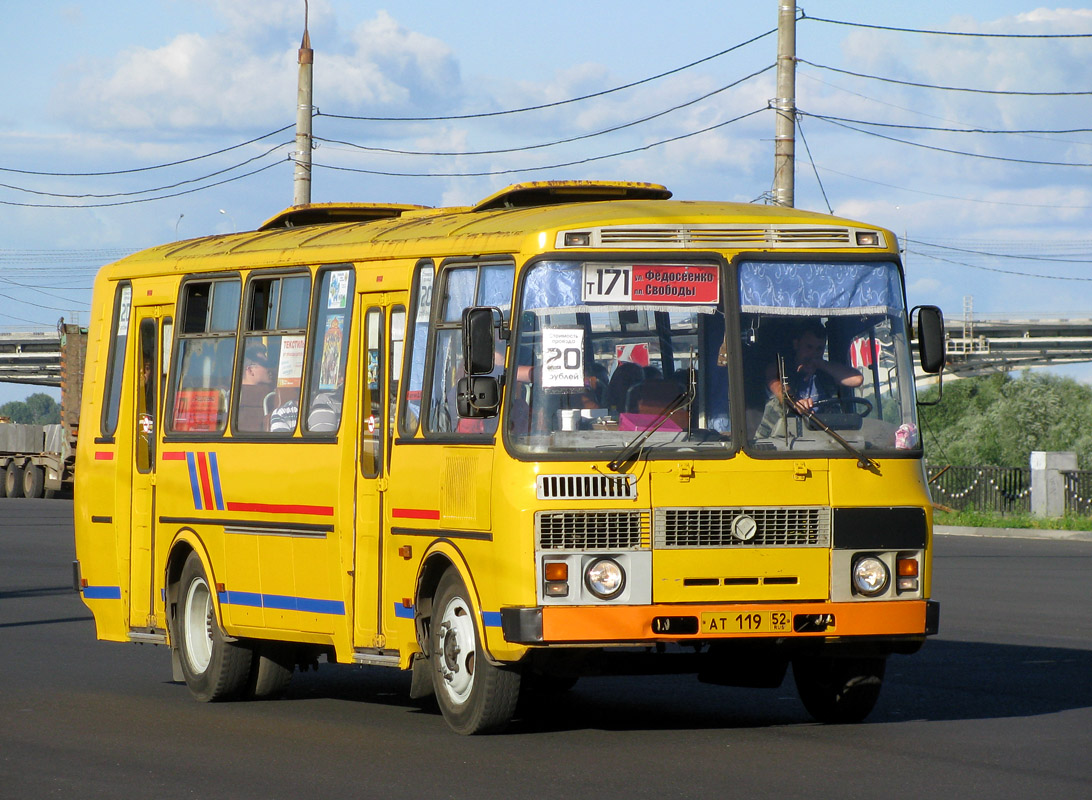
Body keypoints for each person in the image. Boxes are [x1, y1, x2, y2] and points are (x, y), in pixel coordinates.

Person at [757, 319, 862, 436]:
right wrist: (794, 402)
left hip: (825, 439)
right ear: (796, 344)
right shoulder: (779, 368)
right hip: (780, 441)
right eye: (809, 347)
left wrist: (821, 363)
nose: (813, 354)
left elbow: (857, 379)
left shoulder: (826, 374)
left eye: (819, 349)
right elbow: (777, 385)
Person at [238, 344, 274, 431]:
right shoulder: (271, 397)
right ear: (250, 370)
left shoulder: (232, 396)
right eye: (266, 364)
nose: (270, 369)